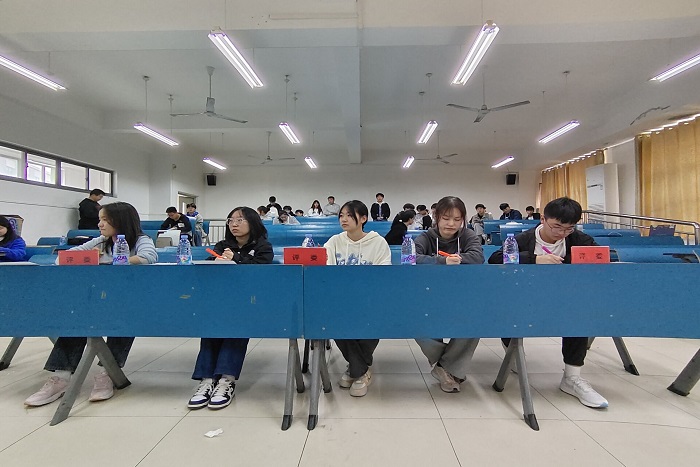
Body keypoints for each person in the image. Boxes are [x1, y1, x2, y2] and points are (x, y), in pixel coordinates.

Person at [24, 202, 157, 407]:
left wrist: (112, 262)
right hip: (97, 300)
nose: (100, 224)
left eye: (105, 220)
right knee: (77, 321)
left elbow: (149, 257)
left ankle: (107, 373)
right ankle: (61, 377)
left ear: (120, 221)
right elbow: (65, 258)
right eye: (100, 219)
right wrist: (86, 256)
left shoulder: (141, 240)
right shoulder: (101, 240)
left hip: (127, 301)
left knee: (124, 321)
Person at [488, 197, 608, 409]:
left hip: (565, 299)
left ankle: (572, 378)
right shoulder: (522, 239)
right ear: (543, 219)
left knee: (579, 313)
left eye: (568, 228)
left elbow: (602, 258)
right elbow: (496, 258)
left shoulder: (579, 239)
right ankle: (512, 351)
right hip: (522, 299)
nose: (562, 233)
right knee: (507, 309)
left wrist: (569, 263)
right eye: (557, 227)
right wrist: (534, 259)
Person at [188, 207, 273, 410]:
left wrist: (236, 259)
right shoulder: (222, 245)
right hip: (222, 300)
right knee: (211, 325)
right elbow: (208, 268)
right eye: (231, 220)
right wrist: (217, 260)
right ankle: (207, 380)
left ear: (253, 222)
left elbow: (262, 270)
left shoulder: (263, 246)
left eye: (240, 220)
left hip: (250, 302)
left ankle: (226, 379)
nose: (234, 224)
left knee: (237, 324)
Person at [414, 196, 484, 393]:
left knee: (475, 322)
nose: (451, 224)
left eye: (457, 219)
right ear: (436, 217)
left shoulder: (468, 235)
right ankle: (449, 367)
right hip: (428, 297)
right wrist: (441, 261)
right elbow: (412, 258)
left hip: (462, 297)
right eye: (446, 218)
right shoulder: (425, 237)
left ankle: (444, 368)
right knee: (416, 324)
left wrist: (458, 258)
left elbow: (478, 257)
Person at [324, 200, 391, 397]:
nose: (343, 219)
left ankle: (356, 368)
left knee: (372, 317)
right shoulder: (334, 241)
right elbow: (325, 269)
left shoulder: (378, 242)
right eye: (341, 215)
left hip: (370, 299)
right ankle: (361, 369)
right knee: (332, 319)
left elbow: (383, 275)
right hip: (340, 299)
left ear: (363, 218)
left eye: (349, 215)